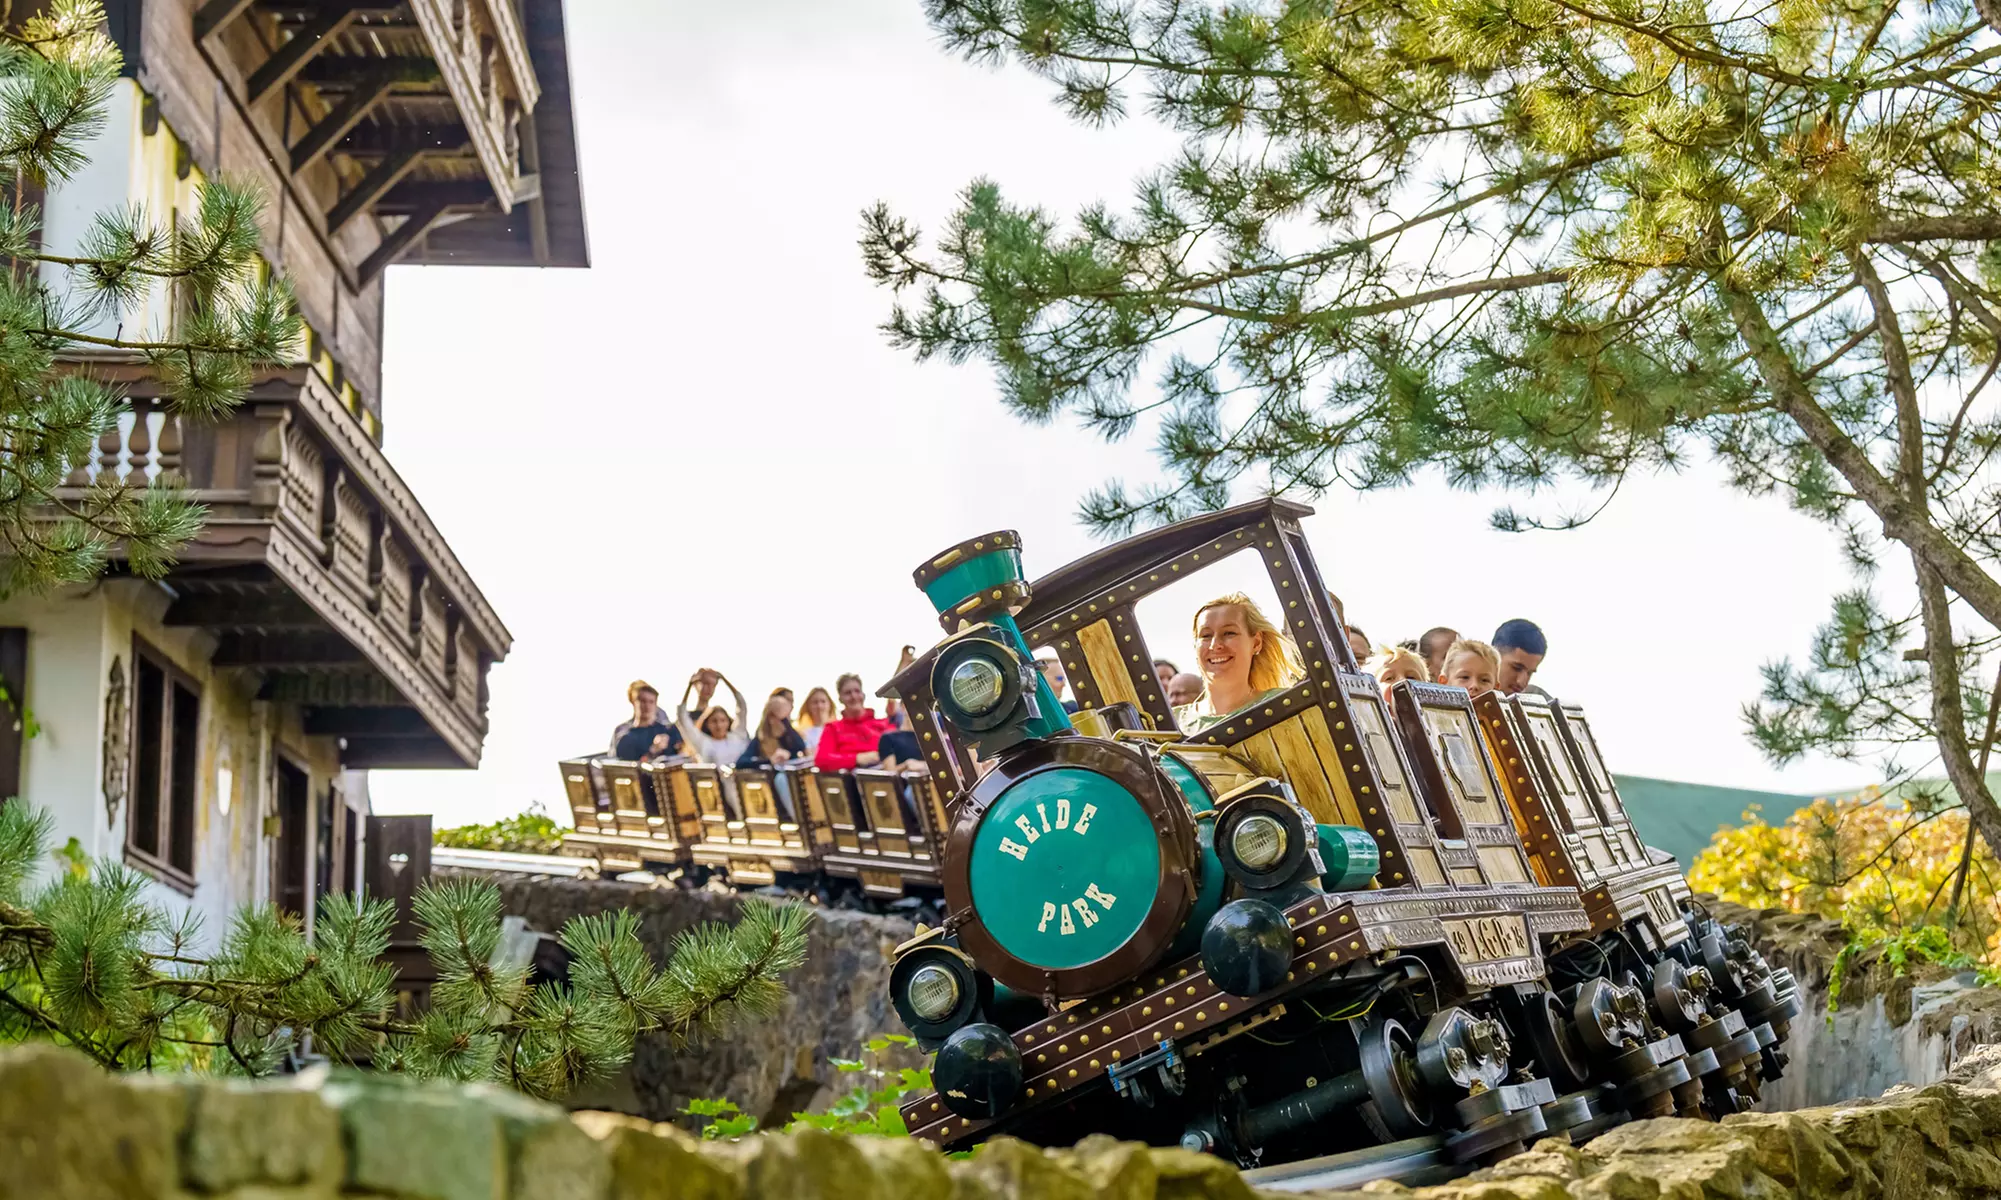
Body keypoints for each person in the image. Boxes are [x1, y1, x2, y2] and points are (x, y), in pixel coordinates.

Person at [1173, 593, 1305, 733]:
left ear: (1256, 642)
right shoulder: (1173, 722)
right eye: (1206, 635)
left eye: (1229, 633)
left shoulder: (1287, 706)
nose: (1215, 645)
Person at [815, 673, 898, 770]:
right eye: (847, 693)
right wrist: (857, 758)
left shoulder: (883, 724)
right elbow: (821, 759)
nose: (853, 696)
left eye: (857, 691)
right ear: (840, 699)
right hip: (853, 779)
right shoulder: (833, 728)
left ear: (863, 695)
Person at [677, 668, 751, 764]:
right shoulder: (703, 742)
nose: (719, 725)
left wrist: (724, 680)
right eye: (714, 721)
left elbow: (742, 706)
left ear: (728, 722)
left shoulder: (737, 736)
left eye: (723, 720)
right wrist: (690, 686)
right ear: (707, 724)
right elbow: (682, 716)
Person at [610, 680, 682, 762]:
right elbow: (629, 769)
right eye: (643, 701)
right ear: (634, 703)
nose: (647, 706)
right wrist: (653, 751)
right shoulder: (626, 739)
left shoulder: (669, 731)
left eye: (651, 702)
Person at [737, 688, 808, 767]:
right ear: (771, 718)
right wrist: (770, 760)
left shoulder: (791, 737)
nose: (786, 723)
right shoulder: (761, 739)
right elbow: (741, 762)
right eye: (783, 720)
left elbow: (803, 750)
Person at [1492, 619, 1549, 696]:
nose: (1521, 682)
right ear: (1493, 657)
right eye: (1516, 668)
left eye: (1529, 673)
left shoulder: (1538, 699)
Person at [796, 686, 836, 755]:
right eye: (815, 702)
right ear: (808, 706)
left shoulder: (839, 730)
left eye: (823, 701)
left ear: (830, 705)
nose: (819, 706)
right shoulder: (803, 734)